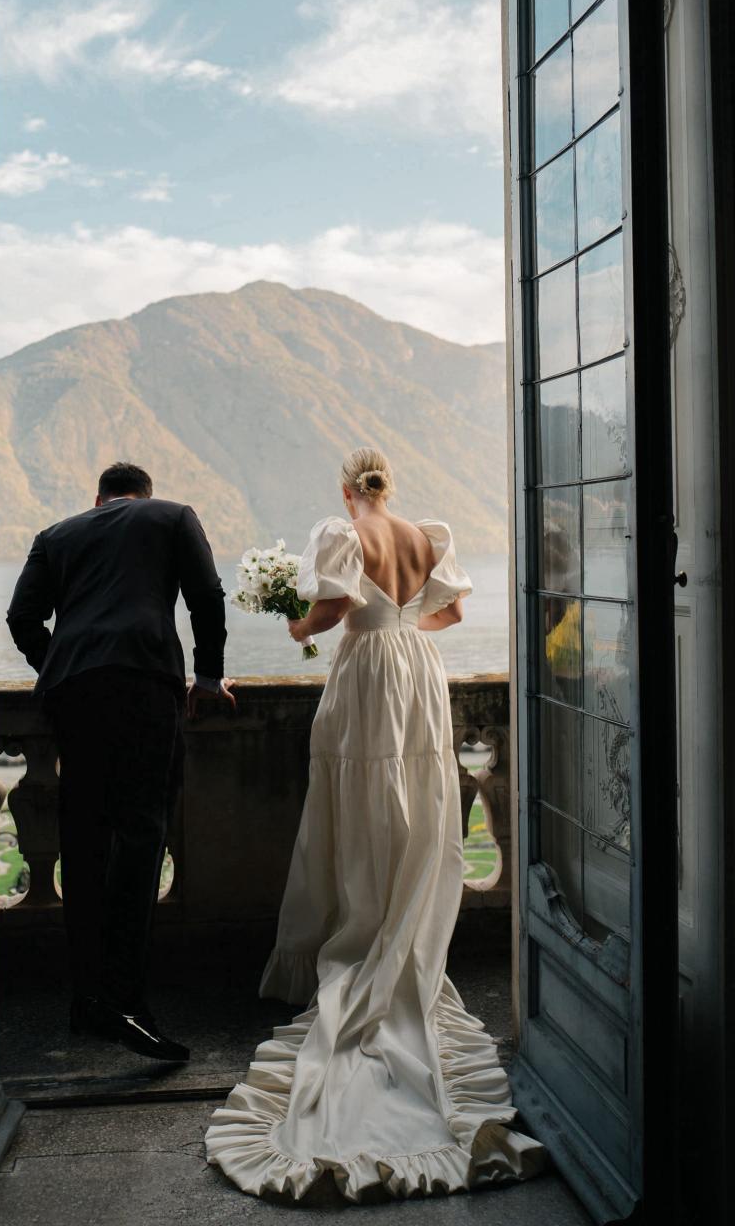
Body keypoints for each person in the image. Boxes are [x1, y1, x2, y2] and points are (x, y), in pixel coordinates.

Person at [205, 447, 545, 1201]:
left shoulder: (339, 533)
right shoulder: (429, 536)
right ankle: (401, 924)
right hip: (417, 671)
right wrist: (400, 627)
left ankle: (359, 927)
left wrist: (296, 627)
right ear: (389, 485)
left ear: (344, 488)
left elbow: (329, 611)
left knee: (360, 799)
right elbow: (451, 613)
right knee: (416, 797)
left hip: (364, 669)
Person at [6, 462, 235, 1061]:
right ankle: (126, 1004)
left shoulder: (56, 535)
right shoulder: (172, 516)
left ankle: (86, 1000)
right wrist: (207, 676)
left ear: (100, 497)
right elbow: (206, 596)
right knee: (140, 835)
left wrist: (59, 663)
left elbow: (21, 619)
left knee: (82, 842)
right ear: (142, 495)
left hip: (72, 693)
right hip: (142, 683)